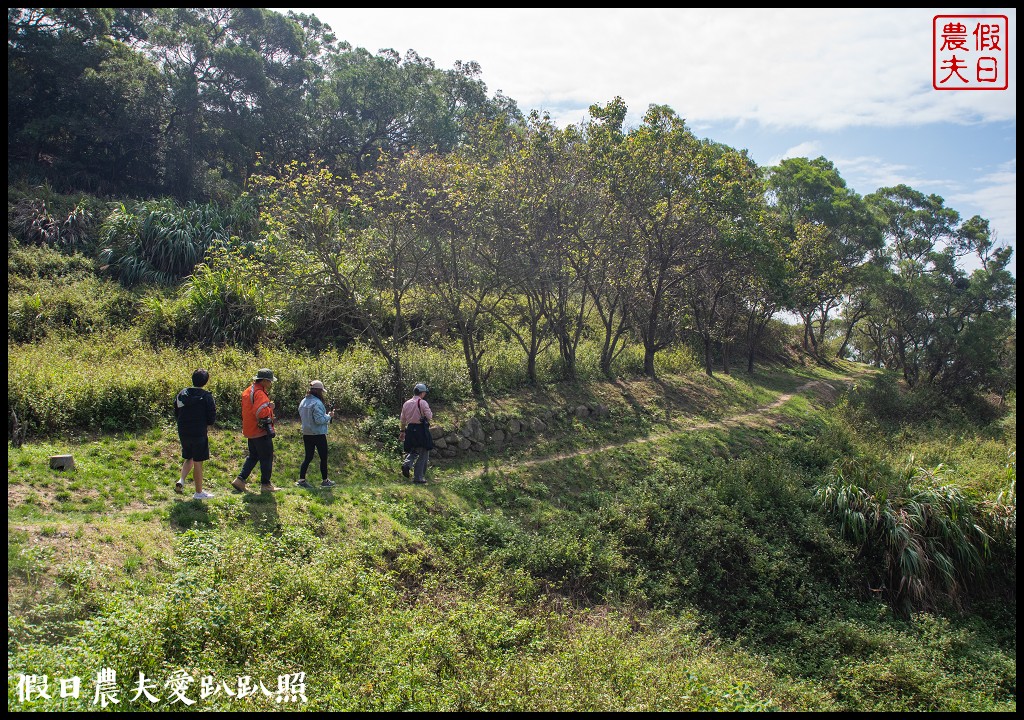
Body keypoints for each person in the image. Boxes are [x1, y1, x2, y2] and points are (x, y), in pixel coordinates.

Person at [232, 368, 280, 493]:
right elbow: (260, 412)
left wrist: (268, 406)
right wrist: (270, 410)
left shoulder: (249, 390)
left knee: (253, 456)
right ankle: (266, 484)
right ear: (264, 380)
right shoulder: (259, 393)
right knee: (267, 456)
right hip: (260, 430)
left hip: (250, 429)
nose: (270, 384)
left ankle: (240, 480)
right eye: (269, 381)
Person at [174, 368, 217, 501]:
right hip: (198, 432)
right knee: (198, 461)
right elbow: (211, 418)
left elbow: (176, 410)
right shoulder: (206, 396)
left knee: (189, 457)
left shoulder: (182, 394)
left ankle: (181, 480)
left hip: (183, 430)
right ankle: (198, 492)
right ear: (206, 381)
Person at [297, 380, 336, 489]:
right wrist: (329, 416)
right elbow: (319, 420)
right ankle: (325, 481)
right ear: (318, 391)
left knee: (308, 457)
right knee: (323, 457)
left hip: (306, 433)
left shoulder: (303, 401)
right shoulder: (317, 403)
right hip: (318, 434)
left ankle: (301, 480)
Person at [399, 382, 433, 484]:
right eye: (424, 392)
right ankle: (418, 477)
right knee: (424, 452)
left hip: (410, 429)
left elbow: (402, 420)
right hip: (421, 430)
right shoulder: (422, 403)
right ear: (421, 393)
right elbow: (429, 416)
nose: (425, 394)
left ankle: (407, 464)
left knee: (413, 450)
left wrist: (402, 431)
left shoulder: (406, 403)